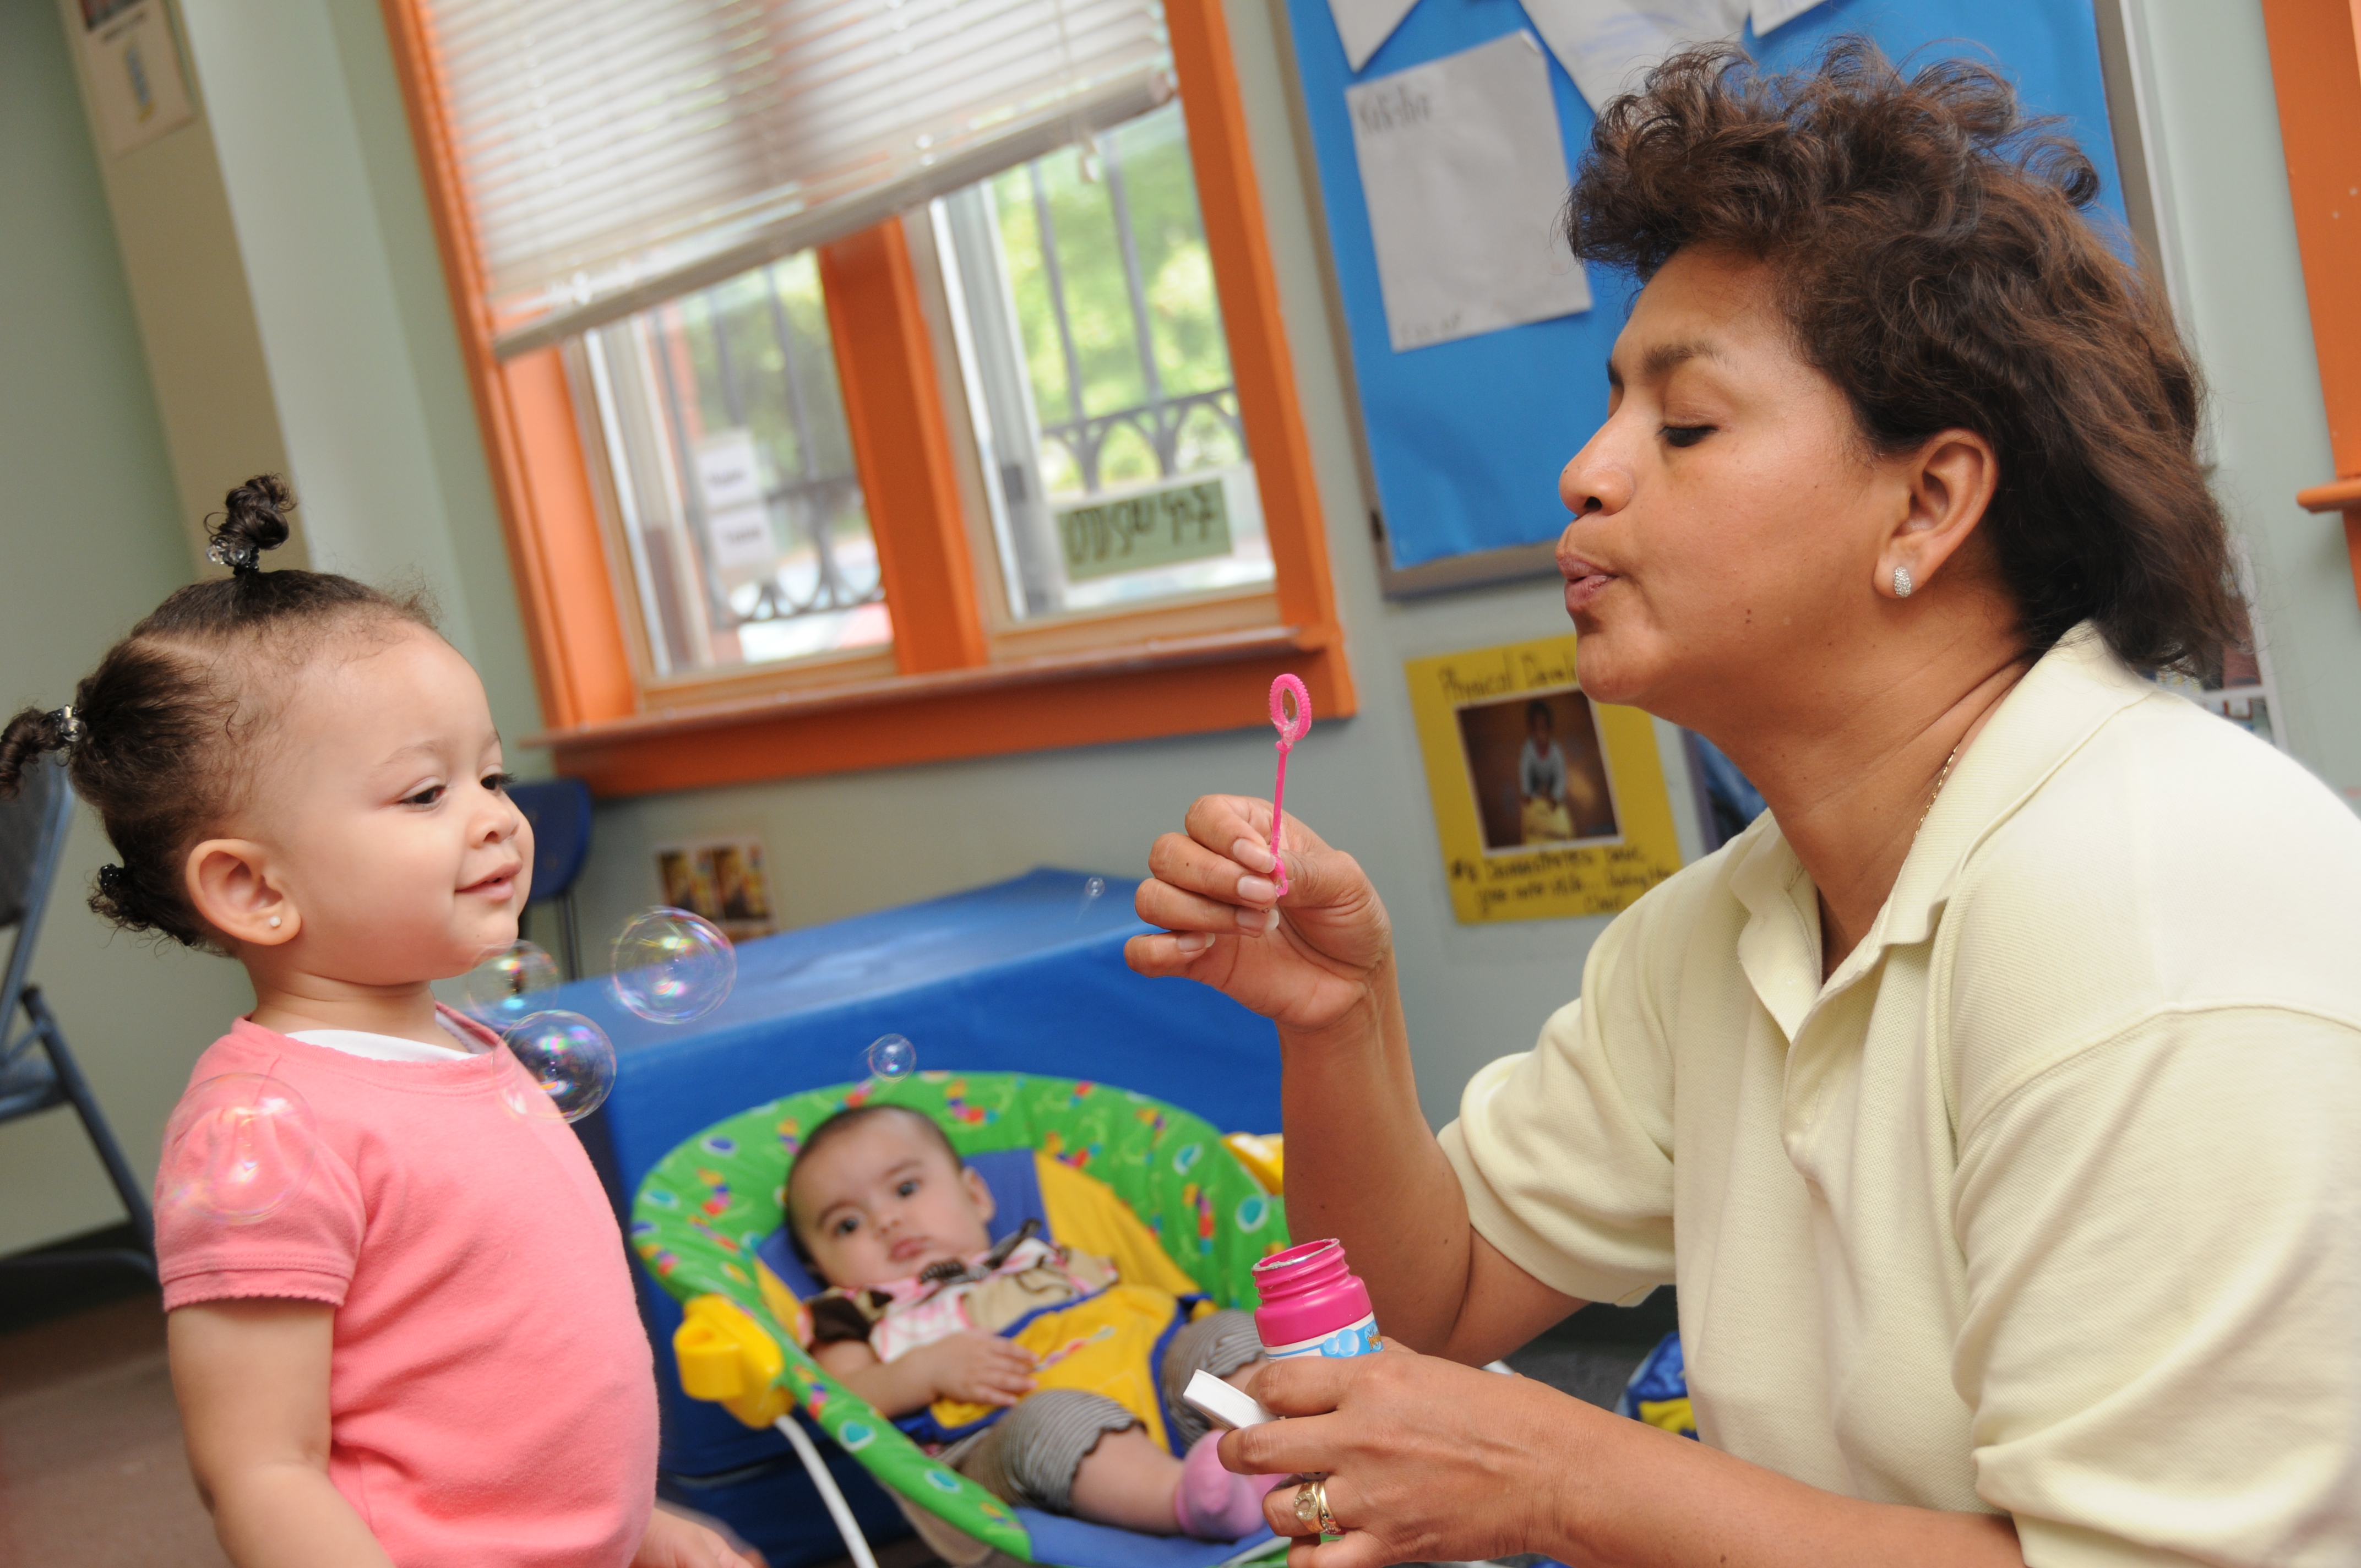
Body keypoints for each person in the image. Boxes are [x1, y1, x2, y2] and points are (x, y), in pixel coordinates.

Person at [1125, 41, 2360, 1568]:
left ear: (1929, 506)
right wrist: (1338, 1021)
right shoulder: (1726, 930)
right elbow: (1430, 1303)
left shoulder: (2161, 913)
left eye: (1686, 427)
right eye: (1610, 415)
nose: (1583, 475)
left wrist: (1563, 1478)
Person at [0, 478, 755, 1568]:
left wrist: (635, 1524)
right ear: (256, 888)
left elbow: (506, 1371)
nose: (496, 812)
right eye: (424, 793)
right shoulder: (264, 1126)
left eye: (489, 773)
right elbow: (261, 1465)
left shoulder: (464, 1041)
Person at [784, 1103, 1279, 1539]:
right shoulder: (853, 1312)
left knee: (1220, 1336)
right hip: (1018, 1432)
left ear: (976, 1197)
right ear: (819, 1268)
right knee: (1057, 1423)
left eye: (906, 1188)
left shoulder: (1040, 1254)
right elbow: (844, 1397)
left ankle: (1281, 1445)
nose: (886, 1220)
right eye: (847, 1225)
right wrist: (926, 1369)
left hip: (1160, 1387)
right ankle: (1188, 1502)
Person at [1516, 700, 1576, 843]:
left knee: (1560, 822)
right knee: (1531, 823)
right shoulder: (1528, 749)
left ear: (1550, 729)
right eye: (1536, 729)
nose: (1540, 734)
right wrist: (1527, 793)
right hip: (1535, 795)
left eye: (1544, 728)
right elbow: (1524, 772)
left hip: (1552, 796)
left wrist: (1556, 796)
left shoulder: (1555, 750)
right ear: (1531, 729)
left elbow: (1561, 775)